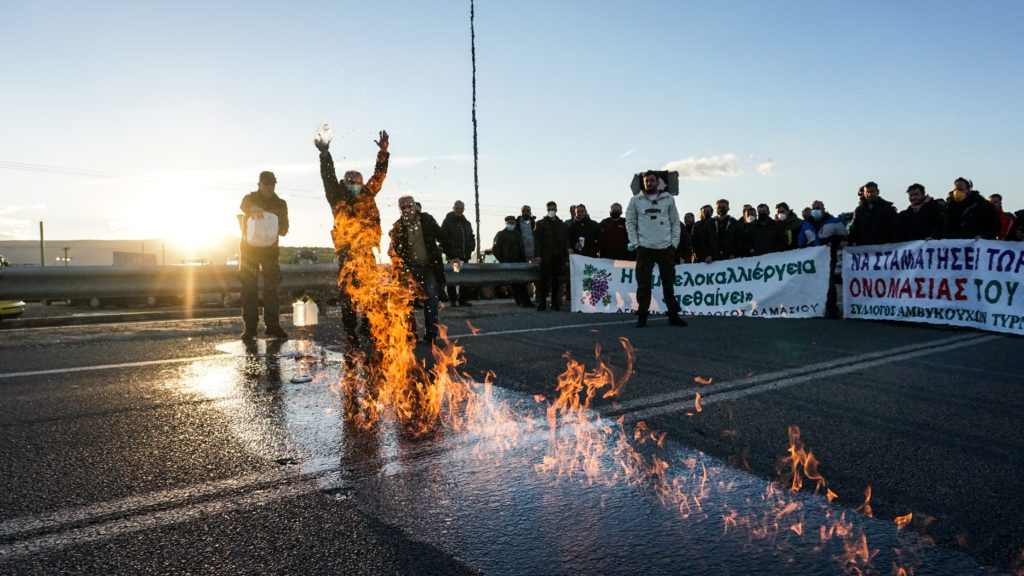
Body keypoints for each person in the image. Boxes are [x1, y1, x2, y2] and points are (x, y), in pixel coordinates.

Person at [316, 129, 389, 349]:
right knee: (348, 295)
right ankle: (350, 331)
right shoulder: (336, 197)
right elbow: (328, 176)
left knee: (369, 292)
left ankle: (367, 326)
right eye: (351, 181)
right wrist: (325, 154)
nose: (356, 184)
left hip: (366, 251)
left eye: (358, 181)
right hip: (347, 253)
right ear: (345, 183)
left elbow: (379, 175)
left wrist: (383, 152)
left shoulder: (367, 194)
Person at [625, 171, 687, 328]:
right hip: (644, 248)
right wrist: (636, 244)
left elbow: (675, 223)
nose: (649, 183)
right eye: (646, 181)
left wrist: (674, 244)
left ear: (658, 182)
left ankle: (673, 315)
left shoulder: (668, 199)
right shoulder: (635, 200)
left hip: (665, 248)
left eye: (652, 180)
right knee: (643, 284)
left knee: (669, 283)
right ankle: (642, 316)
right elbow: (630, 223)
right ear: (643, 183)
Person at [388, 195, 448, 345]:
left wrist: (453, 255)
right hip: (410, 269)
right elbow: (395, 253)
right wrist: (400, 272)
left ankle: (431, 334)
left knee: (431, 300)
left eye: (409, 206)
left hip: (429, 267)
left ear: (415, 206)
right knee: (406, 302)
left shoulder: (426, 220)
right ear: (400, 210)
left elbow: (441, 237)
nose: (407, 209)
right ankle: (411, 334)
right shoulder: (398, 227)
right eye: (403, 207)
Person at [238, 171, 290, 340]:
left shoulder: (281, 203)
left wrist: (273, 222)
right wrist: (253, 208)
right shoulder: (250, 198)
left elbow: (284, 230)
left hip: (270, 252)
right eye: (266, 183)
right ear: (259, 184)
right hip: (249, 252)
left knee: (272, 289)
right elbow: (244, 205)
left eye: (272, 184)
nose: (269, 187)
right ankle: (250, 328)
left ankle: (273, 326)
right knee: (249, 289)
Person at [797, 200, 847, 318]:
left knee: (829, 282)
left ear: (824, 208)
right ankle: (815, 307)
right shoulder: (806, 224)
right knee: (813, 282)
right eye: (814, 208)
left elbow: (844, 236)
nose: (816, 210)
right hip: (813, 259)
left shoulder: (834, 221)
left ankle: (832, 309)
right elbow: (801, 241)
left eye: (818, 208)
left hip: (829, 256)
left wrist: (833, 242)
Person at [533, 201, 569, 311]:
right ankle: (542, 303)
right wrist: (538, 255)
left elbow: (565, 240)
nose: (551, 211)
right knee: (543, 282)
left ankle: (554, 303)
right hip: (545, 257)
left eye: (553, 209)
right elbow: (537, 241)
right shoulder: (540, 224)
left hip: (558, 257)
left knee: (556, 282)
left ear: (556, 210)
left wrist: (568, 248)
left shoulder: (562, 225)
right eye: (549, 209)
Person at [441, 200, 476, 306]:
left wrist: (471, 247)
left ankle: (462, 299)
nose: (459, 210)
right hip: (454, 257)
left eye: (461, 209)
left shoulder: (466, 223)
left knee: (464, 278)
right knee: (454, 277)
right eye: (457, 208)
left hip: (465, 256)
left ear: (463, 209)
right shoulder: (448, 222)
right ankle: (452, 300)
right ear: (453, 208)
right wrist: (450, 252)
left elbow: (471, 236)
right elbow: (442, 238)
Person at [492, 215, 530, 306]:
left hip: (520, 262)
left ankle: (526, 301)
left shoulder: (517, 234)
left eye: (512, 223)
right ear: (506, 223)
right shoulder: (501, 234)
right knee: (514, 284)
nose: (511, 224)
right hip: (509, 263)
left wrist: (524, 260)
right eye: (509, 223)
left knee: (523, 283)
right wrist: (503, 261)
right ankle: (519, 301)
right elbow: (495, 250)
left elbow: (522, 248)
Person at [848, 182, 901, 246]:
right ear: (864, 193)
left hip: (884, 248)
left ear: (877, 192)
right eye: (867, 192)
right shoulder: (859, 210)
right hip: (865, 248)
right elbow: (853, 229)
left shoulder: (887, 208)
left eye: (872, 191)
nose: (869, 194)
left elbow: (896, 228)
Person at [694, 199, 741, 263]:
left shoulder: (735, 223)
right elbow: (703, 241)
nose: (721, 209)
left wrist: (734, 254)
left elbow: (740, 240)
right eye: (719, 207)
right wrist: (706, 255)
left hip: (730, 259)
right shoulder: (709, 224)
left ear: (728, 208)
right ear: (716, 208)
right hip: (712, 260)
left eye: (723, 207)